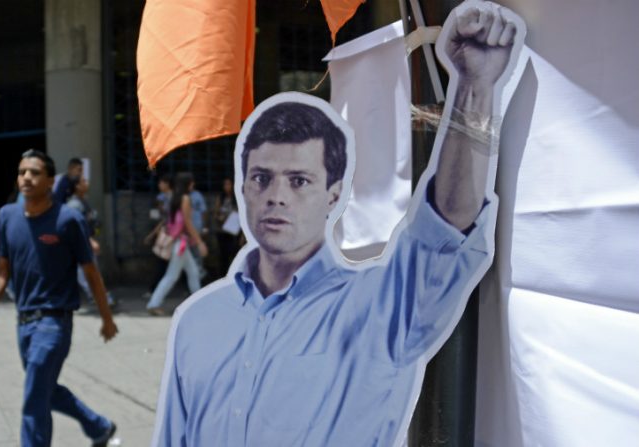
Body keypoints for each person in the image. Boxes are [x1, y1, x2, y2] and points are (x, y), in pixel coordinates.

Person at [151, 3, 522, 446]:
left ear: (333, 193)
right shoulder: (198, 321)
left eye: (299, 180)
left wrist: (474, 89)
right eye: (262, 178)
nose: (276, 196)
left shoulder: (376, 309)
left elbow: (445, 229)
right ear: (243, 187)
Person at [0, 150, 119, 447]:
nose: (26, 177)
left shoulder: (68, 219)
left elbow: (91, 273)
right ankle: (98, 426)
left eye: (35, 172)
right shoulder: (6, 216)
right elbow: (1, 270)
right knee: (43, 390)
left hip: (54, 323)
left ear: (51, 181)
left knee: (34, 401)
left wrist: (106, 318)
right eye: (22, 171)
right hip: (23, 323)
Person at [145, 172, 208, 316]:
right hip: (180, 243)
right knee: (172, 276)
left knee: (193, 273)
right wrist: (199, 242)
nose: (193, 185)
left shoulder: (174, 197)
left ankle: (199, 304)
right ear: (187, 184)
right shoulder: (185, 198)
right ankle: (154, 304)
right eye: (191, 182)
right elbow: (187, 222)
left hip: (179, 242)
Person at [66, 176, 116, 307]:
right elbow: (77, 226)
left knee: (87, 273)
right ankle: (100, 297)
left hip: (84, 243)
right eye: (83, 181)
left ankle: (99, 297)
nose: (87, 183)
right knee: (86, 273)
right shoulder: (74, 205)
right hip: (81, 244)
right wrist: (90, 240)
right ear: (77, 186)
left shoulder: (83, 201)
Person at [144, 175, 172, 298]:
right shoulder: (162, 198)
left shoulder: (173, 199)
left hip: (170, 235)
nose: (159, 186)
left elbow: (166, 220)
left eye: (161, 183)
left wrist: (152, 234)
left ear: (167, 184)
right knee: (165, 265)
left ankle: (154, 293)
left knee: (163, 265)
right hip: (166, 234)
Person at [213, 177, 240, 276]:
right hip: (222, 229)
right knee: (222, 254)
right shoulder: (221, 197)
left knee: (234, 252)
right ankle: (223, 274)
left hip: (234, 229)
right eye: (225, 184)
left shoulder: (237, 197)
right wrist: (219, 217)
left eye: (229, 184)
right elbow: (216, 213)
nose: (227, 187)